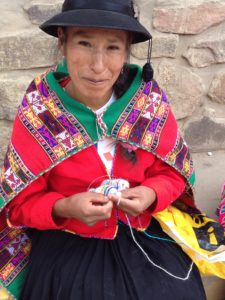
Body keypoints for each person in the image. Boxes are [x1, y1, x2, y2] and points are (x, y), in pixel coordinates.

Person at [0, 0, 207, 299]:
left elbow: (173, 174)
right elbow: (19, 204)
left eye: (112, 48)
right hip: (67, 241)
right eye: (84, 43)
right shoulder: (40, 109)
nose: (97, 66)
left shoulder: (147, 101)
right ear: (63, 42)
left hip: (144, 237)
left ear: (126, 51)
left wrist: (151, 193)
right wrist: (64, 207)